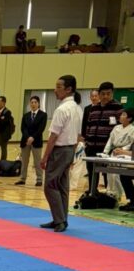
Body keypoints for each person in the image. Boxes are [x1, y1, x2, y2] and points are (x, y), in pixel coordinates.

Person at [41, 74, 83, 233]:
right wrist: (72, 153)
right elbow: (78, 135)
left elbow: (53, 136)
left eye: (59, 87)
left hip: (59, 150)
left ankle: (59, 220)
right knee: (62, 186)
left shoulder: (62, 109)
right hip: (70, 148)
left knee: (50, 185)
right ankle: (61, 219)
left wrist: (45, 157)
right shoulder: (77, 108)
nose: (55, 90)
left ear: (68, 89)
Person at [80, 81, 122, 188]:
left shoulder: (118, 107)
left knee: (108, 174)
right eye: (103, 94)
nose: (105, 96)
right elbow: (88, 125)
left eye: (108, 93)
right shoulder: (93, 108)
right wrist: (87, 142)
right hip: (91, 147)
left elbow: (121, 128)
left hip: (107, 149)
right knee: (91, 172)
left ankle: (109, 193)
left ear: (112, 93)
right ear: (99, 94)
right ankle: (92, 192)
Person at [103, 108, 134, 204]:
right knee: (110, 174)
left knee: (118, 175)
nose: (120, 116)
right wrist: (105, 152)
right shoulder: (116, 128)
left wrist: (123, 150)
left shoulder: (132, 129)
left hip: (124, 154)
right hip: (114, 152)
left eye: (124, 115)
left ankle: (118, 195)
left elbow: (131, 143)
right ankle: (110, 194)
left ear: (129, 118)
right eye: (121, 114)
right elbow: (110, 140)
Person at [16, 96, 47, 187]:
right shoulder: (26, 115)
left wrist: (33, 137)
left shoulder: (43, 115)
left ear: (38, 104)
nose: (33, 104)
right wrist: (28, 137)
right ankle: (22, 178)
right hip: (25, 141)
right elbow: (23, 128)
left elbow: (41, 128)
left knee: (37, 161)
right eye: (32, 102)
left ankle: (39, 179)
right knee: (24, 161)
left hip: (36, 141)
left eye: (35, 102)